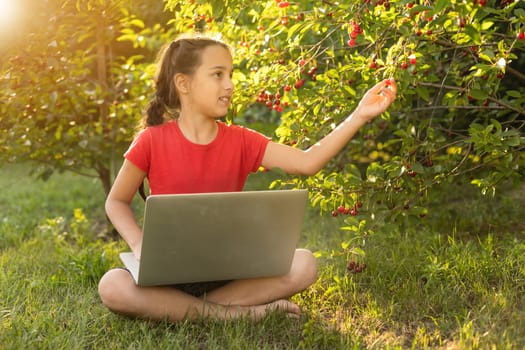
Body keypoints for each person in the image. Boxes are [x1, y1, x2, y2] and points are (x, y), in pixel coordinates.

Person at [98, 34, 397, 322]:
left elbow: (307, 162)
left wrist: (359, 114)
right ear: (183, 83)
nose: (229, 85)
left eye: (231, 74)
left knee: (304, 264)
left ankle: (187, 311)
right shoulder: (151, 140)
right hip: (166, 276)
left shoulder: (241, 141)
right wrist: (139, 246)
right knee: (112, 285)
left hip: (229, 274)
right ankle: (230, 315)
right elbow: (117, 201)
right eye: (217, 75)